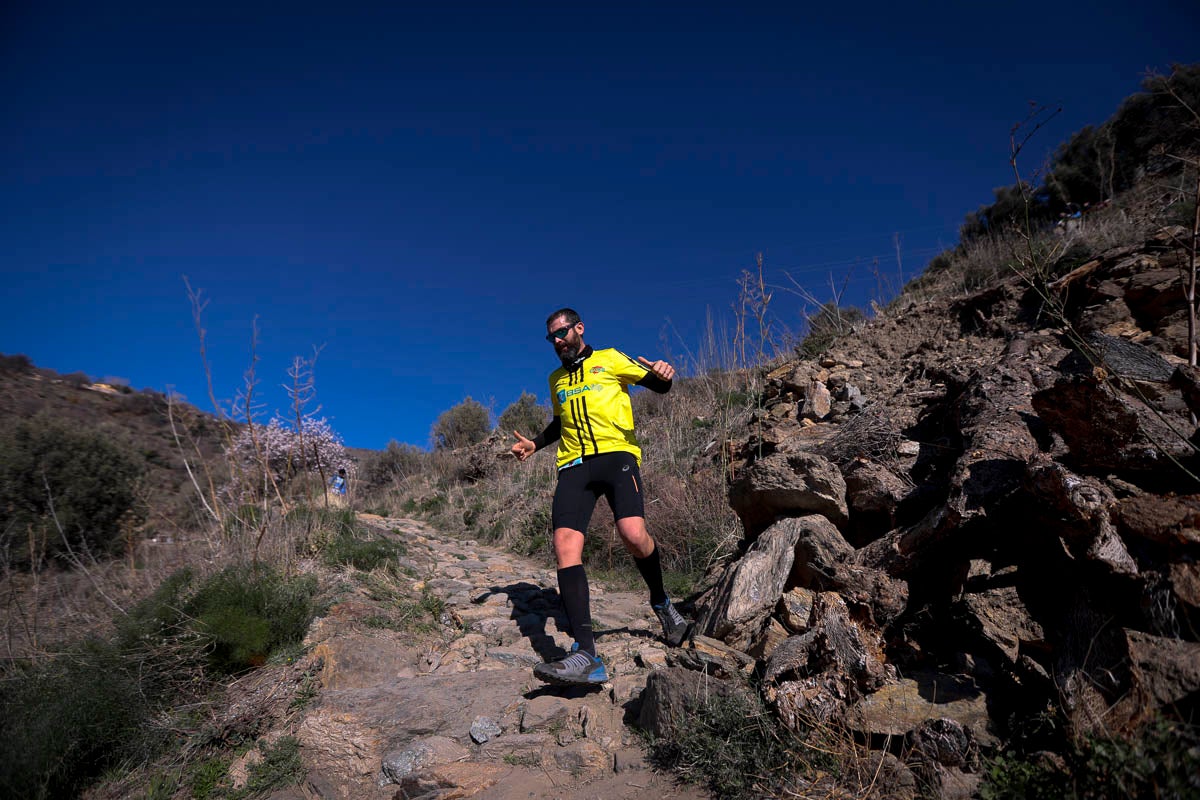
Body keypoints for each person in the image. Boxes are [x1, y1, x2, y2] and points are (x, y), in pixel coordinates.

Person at [510, 308, 692, 686]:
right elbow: (560, 422)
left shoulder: (610, 358)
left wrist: (663, 374)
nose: (557, 341)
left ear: (579, 328)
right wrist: (535, 444)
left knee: (633, 535)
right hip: (573, 466)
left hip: (616, 457)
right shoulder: (556, 379)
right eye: (551, 337)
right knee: (564, 545)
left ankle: (661, 602)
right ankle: (586, 654)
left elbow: (658, 385)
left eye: (562, 332)